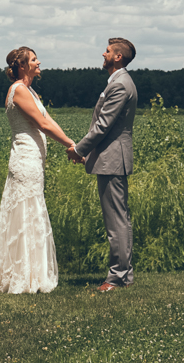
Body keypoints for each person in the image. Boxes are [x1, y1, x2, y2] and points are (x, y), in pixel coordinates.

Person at [0, 46, 76, 294]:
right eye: (34, 60)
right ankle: (23, 276)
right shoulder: (19, 90)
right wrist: (69, 144)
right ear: (22, 66)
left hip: (32, 160)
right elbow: (43, 123)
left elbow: (49, 119)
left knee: (30, 214)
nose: (39, 62)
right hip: (25, 161)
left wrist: (72, 141)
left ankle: (29, 273)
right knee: (25, 214)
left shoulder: (30, 90)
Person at [68, 37, 137, 292]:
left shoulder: (119, 85)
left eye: (107, 51)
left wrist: (78, 149)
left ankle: (117, 277)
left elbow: (103, 126)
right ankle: (125, 275)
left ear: (117, 57)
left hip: (112, 160)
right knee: (120, 219)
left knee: (116, 221)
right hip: (110, 158)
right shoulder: (119, 82)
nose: (103, 54)